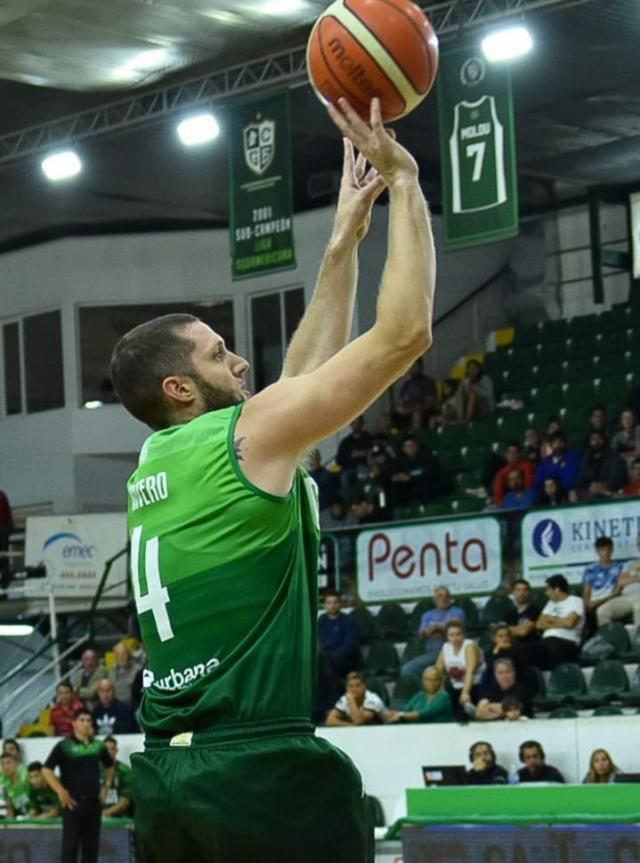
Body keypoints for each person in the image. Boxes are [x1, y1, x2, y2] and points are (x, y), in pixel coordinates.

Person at [108, 96, 435, 863]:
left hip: (168, 775)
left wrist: (342, 243)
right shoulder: (241, 440)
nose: (238, 361)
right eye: (218, 353)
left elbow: (299, 384)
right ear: (179, 388)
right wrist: (405, 183)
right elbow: (405, 333)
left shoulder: (159, 460)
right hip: (256, 770)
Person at [42, 708, 114, 863]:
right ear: (74, 723)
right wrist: (61, 791)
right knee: (70, 847)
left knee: (91, 848)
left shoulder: (98, 746)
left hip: (94, 803)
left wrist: (106, 786)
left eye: (89, 720)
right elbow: (46, 770)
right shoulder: (64, 746)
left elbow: (110, 766)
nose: (86, 723)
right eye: (82, 720)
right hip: (72, 803)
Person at [401, 586, 465, 680]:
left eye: (447, 596)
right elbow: (424, 633)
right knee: (406, 670)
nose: (444, 599)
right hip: (431, 653)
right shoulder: (427, 615)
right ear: (435, 600)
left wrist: (435, 628)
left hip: (452, 650)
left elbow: (454, 628)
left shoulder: (457, 612)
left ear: (450, 599)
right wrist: (441, 629)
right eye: (440, 596)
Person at [523, 575, 584, 669]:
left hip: (568, 641)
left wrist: (551, 619)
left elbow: (569, 624)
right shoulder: (550, 603)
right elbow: (539, 625)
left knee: (553, 647)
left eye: (548, 589)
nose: (546, 593)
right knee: (523, 650)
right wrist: (562, 620)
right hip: (546, 641)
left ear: (557, 589)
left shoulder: (575, 600)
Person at [436, 620, 483, 712]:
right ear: (447, 636)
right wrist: (439, 690)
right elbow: (437, 671)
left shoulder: (469, 646)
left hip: (475, 687)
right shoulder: (446, 647)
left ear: (464, 634)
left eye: (458, 634)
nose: (455, 638)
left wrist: (465, 693)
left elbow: (470, 672)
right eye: (451, 635)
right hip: (455, 687)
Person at [389, 433, 446, 509]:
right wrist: (396, 478)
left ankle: (428, 510)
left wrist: (410, 478)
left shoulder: (427, 456)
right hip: (409, 487)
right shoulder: (399, 461)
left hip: (428, 486)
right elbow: (394, 475)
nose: (411, 448)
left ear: (417, 446)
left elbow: (431, 474)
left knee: (423, 487)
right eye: (407, 446)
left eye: (413, 445)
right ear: (403, 449)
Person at [582, 536, 625, 631]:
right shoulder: (590, 569)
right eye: (602, 550)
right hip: (592, 603)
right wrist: (588, 604)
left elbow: (617, 593)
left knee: (596, 611)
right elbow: (586, 592)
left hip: (611, 601)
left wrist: (597, 603)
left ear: (612, 550)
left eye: (608, 549)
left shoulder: (620, 567)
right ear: (597, 551)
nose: (605, 553)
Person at [597, 533, 640, 629]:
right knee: (602, 611)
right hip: (626, 597)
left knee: (639, 607)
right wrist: (635, 573)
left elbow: (625, 579)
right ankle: (610, 638)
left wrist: (630, 577)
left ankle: (637, 638)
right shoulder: (630, 564)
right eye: (639, 544)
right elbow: (620, 582)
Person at [317, 591, 360, 680]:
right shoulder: (321, 620)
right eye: (329, 603)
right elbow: (318, 641)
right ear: (324, 605)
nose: (332, 606)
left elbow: (348, 646)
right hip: (325, 658)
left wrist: (331, 657)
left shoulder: (348, 621)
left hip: (343, 660)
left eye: (335, 602)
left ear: (340, 604)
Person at [577, 429, 628, 501]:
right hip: (591, 491)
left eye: (599, 438)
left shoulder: (614, 457)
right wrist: (590, 487)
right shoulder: (586, 459)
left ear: (604, 440)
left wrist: (602, 486)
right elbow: (581, 480)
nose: (596, 442)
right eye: (593, 439)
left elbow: (616, 479)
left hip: (611, 492)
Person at [393, 356, 437, 430]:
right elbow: (399, 402)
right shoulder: (406, 384)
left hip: (423, 412)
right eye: (411, 367)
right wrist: (400, 408)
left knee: (416, 415)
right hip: (407, 411)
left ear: (421, 367)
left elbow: (429, 404)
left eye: (415, 366)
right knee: (384, 418)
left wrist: (412, 409)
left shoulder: (428, 382)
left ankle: (416, 436)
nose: (412, 369)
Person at [534, 431, 581, 499]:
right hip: (547, 494)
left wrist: (556, 487)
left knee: (572, 493)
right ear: (551, 444)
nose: (558, 445)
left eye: (560, 442)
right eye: (555, 442)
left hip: (566, 492)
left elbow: (571, 479)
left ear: (565, 443)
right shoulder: (545, 462)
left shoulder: (572, 457)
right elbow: (538, 481)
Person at [335, 416, 373, 490]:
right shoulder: (345, 442)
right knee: (344, 476)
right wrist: (351, 456)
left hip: (364, 466)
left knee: (362, 473)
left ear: (362, 423)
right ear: (351, 425)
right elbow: (338, 460)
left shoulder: (368, 438)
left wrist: (364, 453)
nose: (356, 425)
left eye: (358, 423)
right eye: (354, 423)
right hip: (349, 468)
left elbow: (373, 452)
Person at [492, 443, 535, 507]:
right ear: (506, 455)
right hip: (509, 503)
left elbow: (529, 486)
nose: (513, 455)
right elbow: (498, 496)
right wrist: (505, 506)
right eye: (510, 452)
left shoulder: (527, 467)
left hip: (527, 500)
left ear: (519, 454)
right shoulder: (501, 473)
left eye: (515, 452)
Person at [100, 738, 133, 818]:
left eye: (112, 749)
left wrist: (104, 814)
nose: (109, 752)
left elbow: (124, 802)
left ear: (116, 750)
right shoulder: (94, 770)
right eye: (106, 750)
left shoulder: (125, 771)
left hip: (119, 817)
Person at [70, 648, 107, 713]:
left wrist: (77, 691)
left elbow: (91, 693)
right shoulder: (79, 673)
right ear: (83, 661)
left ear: (97, 660)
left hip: (95, 707)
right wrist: (74, 691)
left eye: (92, 659)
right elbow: (71, 690)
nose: (90, 662)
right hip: (78, 707)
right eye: (86, 659)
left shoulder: (102, 671)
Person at [107, 642, 141, 706]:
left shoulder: (138, 670)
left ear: (128, 654)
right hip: (115, 705)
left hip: (132, 705)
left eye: (124, 653)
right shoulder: (111, 671)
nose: (121, 657)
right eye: (118, 654)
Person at [507, 579, 541, 644]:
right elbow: (504, 633)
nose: (522, 593)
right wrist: (518, 629)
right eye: (518, 590)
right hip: (513, 646)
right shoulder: (509, 614)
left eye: (525, 590)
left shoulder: (535, 611)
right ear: (513, 592)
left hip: (531, 645)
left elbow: (523, 632)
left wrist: (509, 629)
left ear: (529, 592)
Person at [0, 751, 30, 817]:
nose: (5, 767)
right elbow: (9, 806)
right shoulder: (5, 784)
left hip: (35, 815)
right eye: (2, 764)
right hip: (19, 816)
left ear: (16, 764)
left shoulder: (26, 778)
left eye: (8, 763)